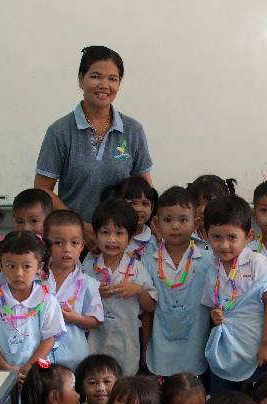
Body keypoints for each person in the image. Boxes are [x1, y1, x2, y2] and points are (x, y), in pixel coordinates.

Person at [35, 46, 154, 250]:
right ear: (81, 79)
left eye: (112, 79)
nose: (104, 85)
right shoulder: (60, 131)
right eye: (95, 76)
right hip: (74, 244)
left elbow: (145, 188)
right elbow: (42, 189)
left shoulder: (132, 130)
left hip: (123, 243)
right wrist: (80, 227)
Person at [0, 231, 65, 398]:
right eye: (11, 266)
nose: (19, 273)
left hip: (37, 373)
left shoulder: (47, 300)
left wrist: (29, 366)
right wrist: (5, 367)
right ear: (1, 265)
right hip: (2, 373)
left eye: (26, 266)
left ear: (39, 267)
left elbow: (49, 338)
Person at [202, 196, 267, 392]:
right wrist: (214, 315)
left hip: (254, 345)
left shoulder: (255, 262)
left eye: (232, 237)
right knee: (224, 399)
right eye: (216, 237)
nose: (224, 245)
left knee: (257, 398)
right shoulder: (211, 267)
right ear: (205, 235)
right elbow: (214, 305)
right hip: (226, 347)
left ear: (249, 236)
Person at [143, 186, 212, 376]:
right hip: (160, 350)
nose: (175, 226)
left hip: (196, 348)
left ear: (196, 223)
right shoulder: (147, 261)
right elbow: (146, 312)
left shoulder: (208, 261)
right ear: (156, 223)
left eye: (183, 220)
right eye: (167, 220)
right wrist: (145, 346)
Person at [85, 200, 157, 376]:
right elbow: (76, 304)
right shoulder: (87, 268)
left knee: (125, 381)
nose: (111, 239)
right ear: (95, 235)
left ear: (129, 238)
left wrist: (138, 290)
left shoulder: (137, 268)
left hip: (127, 341)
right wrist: (93, 293)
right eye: (105, 232)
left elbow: (150, 306)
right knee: (97, 379)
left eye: (119, 233)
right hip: (95, 342)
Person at [44, 210, 103, 370]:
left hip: (73, 356)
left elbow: (96, 320)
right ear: (46, 244)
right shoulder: (35, 279)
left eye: (74, 243)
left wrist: (76, 318)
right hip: (40, 355)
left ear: (82, 246)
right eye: (58, 242)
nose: (67, 249)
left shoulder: (89, 284)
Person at [110, 176, 159, 260]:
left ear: (152, 207)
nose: (139, 209)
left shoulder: (156, 243)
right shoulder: (107, 238)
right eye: (132, 203)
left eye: (145, 204)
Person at [186, 175, 236, 247]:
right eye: (196, 204)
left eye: (209, 204)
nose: (202, 210)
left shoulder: (234, 238)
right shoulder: (184, 237)